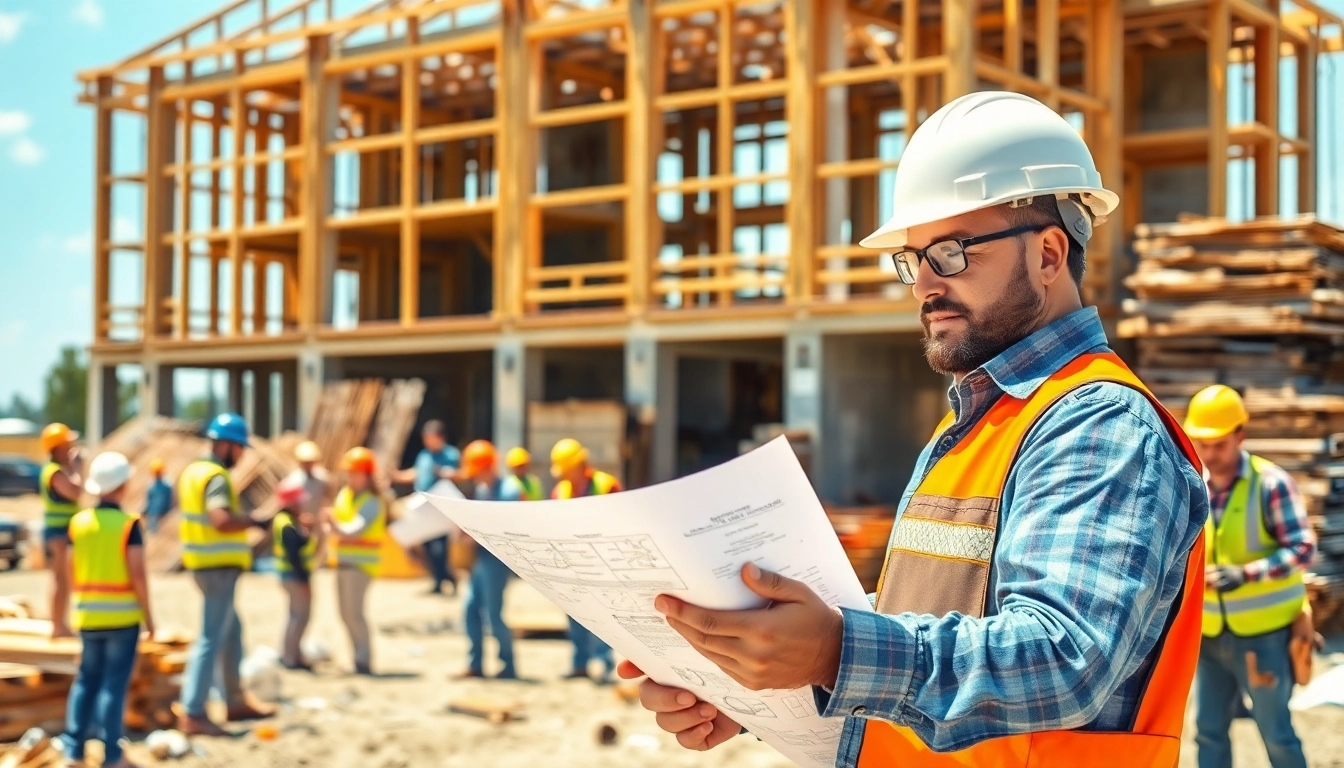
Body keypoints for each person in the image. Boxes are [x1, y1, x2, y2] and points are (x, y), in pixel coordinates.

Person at [620, 91, 1210, 767]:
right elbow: (929, 619)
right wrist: (770, 674)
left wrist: (835, 651)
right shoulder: (977, 424)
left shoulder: (1098, 424)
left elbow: (1064, 659)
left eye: (952, 252)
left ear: (1049, 254)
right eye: (913, 259)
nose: (924, 284)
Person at [1185, 385, 1316, 768]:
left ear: (1241, 436)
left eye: (1220, 445)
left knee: (1276, 733)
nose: (1210, 454)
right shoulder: (1193, 484)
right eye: (1203, 444)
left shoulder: (1271, 484)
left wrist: (1246, 574)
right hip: (1209, 635)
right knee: (1207, 731)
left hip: (1264, 637)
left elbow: (1303, 549)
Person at [56, 451, 153, 768]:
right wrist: (150, 619)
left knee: (85, 681)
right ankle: (112, 755)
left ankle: (73, 752)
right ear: (123, 486)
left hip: (88, 616)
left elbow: (70, 569)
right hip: (122, 618)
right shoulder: (128, 525)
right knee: (113, 685)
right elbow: (138, 575)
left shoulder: (79, 523)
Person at [177, 413, 271, 736]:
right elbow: (220, 520)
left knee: (231, 633)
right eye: (240, 448)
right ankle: (193, 711)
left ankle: (234, 700)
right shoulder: (215, 477)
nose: (241, 455)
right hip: (217, 568)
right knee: (211, 638)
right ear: (227, 445)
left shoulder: (193, 472)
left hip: (205, 563)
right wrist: (254, 520)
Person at [550, 438, 621, 682]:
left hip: (602, 562)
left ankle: (604, 662)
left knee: (603, 615)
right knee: (575, 614)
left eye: (566, 469)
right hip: (572, 563)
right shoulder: (561, 491)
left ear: (579, 465)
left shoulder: (607, 485)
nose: (562, 475)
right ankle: (580, 664)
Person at [455, 440, 519, 680]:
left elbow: (507, 529)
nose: (475, 477)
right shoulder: (482, 491)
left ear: (488, 467)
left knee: (494, 614)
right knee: (470, 609)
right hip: (481, 559)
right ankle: (475, 664)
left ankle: (508, 665)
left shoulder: (509, 491)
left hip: (498, 562)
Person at [328, 447, 386, 676]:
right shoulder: (345, 495)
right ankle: (357, 658)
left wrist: (333, 525)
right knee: (345, 613)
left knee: (354, 613)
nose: (350, 477)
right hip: (343, 563)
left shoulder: (372, 501)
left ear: (366, 475)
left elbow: (354, 530)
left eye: (355, 472)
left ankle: (363, 660)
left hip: (361, 566)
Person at [393, 420, 461, 595]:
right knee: (427, 548)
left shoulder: (450, 454)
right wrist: (397, 476)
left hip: (439, 510)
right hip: (422, 508)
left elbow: (456, 474)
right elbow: (415, 473)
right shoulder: (423, 455)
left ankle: (448, 578)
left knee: (439, 548)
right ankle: (439, 581)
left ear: (439, 437)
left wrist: (444, 473)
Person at [40, 422, 83, 639]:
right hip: (58, 533)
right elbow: (75, 492)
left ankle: (60, 624)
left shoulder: (56, 470)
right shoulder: (55, 473)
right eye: (68, 445)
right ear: (58, 448)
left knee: (64, 579)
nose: (72, 448)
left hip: (61, 531)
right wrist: (77, 469)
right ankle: (58, 626)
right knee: (60, 579)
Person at [271, 478, 318, 671]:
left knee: (296, 616)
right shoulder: (286, 525)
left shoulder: (287, 521)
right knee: (298, 617)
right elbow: (294, 555)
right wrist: (303, 580)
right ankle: (290, 657)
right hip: (294, 575)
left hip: (290, 574)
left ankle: (293, 654)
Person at [286, 440, 331, 523]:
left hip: (318, 522)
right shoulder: (293, 480)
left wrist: (325, 510)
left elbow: (328, 496)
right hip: (300, 524)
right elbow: (288, 505)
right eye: (305, 462)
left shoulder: (322, 477)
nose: (308, 465)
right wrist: (299, 517)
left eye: (310, 462)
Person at [143, 457, 174, 534]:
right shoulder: (151, 485)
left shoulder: (167, 485)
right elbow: (148, 500)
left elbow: (170, 500)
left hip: (162, 516)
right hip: (153, 515)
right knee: (153, 534)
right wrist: (144, 511)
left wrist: (167, 512)